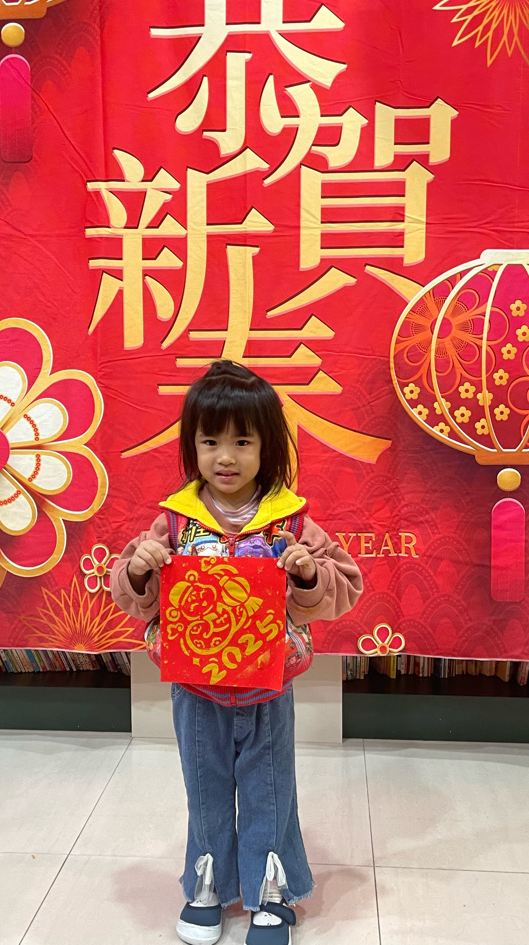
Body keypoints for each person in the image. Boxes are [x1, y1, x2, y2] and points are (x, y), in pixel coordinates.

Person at [111, 360, 362, 945]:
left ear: (267, 446)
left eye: (243, 442)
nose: (226, 457)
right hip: (194, 685)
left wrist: (307, 574)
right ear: (192, 446)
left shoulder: (290, 521)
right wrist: (141, 570)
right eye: (210, 441)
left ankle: (270, 893)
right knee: (204, 784)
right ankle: (208, 883)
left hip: (268, 683)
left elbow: (345, 585)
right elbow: (130, 593)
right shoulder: (175, 522)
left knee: (268, 787)